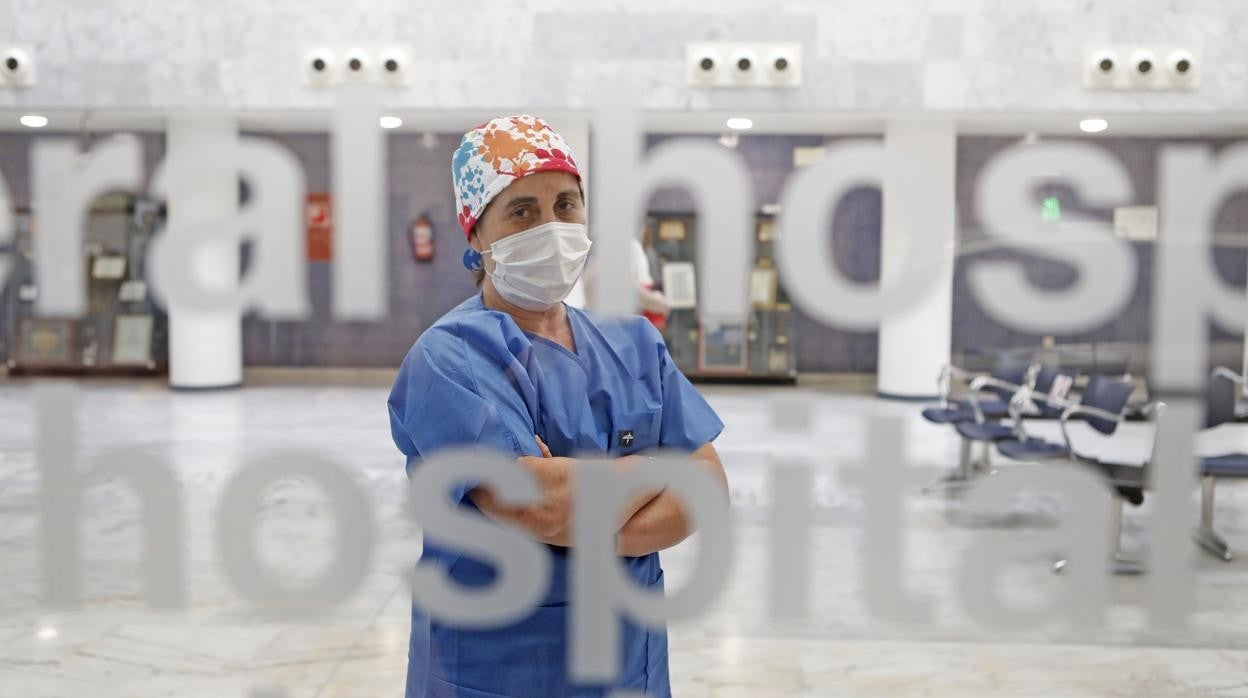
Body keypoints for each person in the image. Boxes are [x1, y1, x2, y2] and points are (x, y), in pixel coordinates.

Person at [387, 114, 727, 698]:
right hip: (495, 666)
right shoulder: (449, 358)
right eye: (522, 211)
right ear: (476, 234)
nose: (552, 226)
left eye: (566, 204)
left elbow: (708, 493)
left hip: (627, 663)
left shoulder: (635, 345)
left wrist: (587, 506)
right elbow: (542, 507)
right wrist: (653, 472)